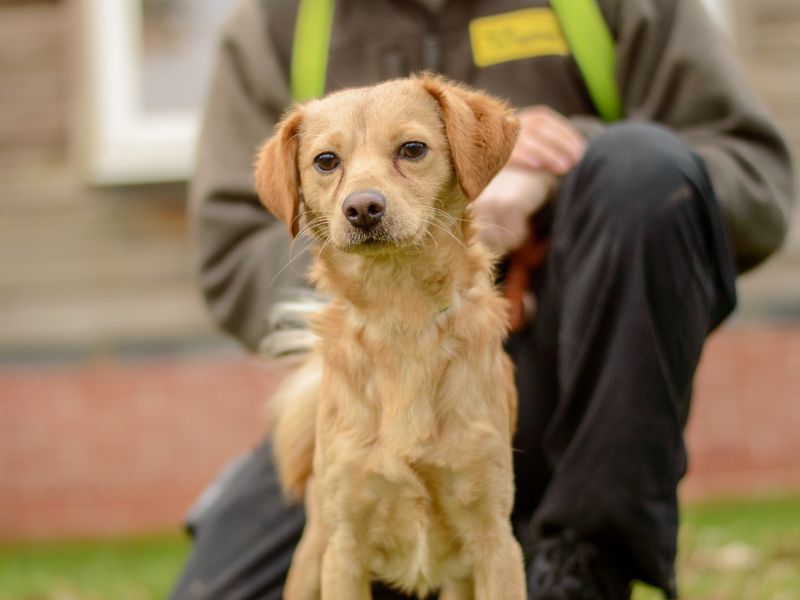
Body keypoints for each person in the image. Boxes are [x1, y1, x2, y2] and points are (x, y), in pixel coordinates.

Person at [173, 0, 795, 598]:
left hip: (581, 375)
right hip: (362, 389)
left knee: (642, 168)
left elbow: (754, 181)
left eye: (412, 149)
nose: (365, 194)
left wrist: (563, 165)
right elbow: (232, 252)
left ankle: (587, 564)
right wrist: (388, 304)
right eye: (329, 162)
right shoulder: (281, 18)